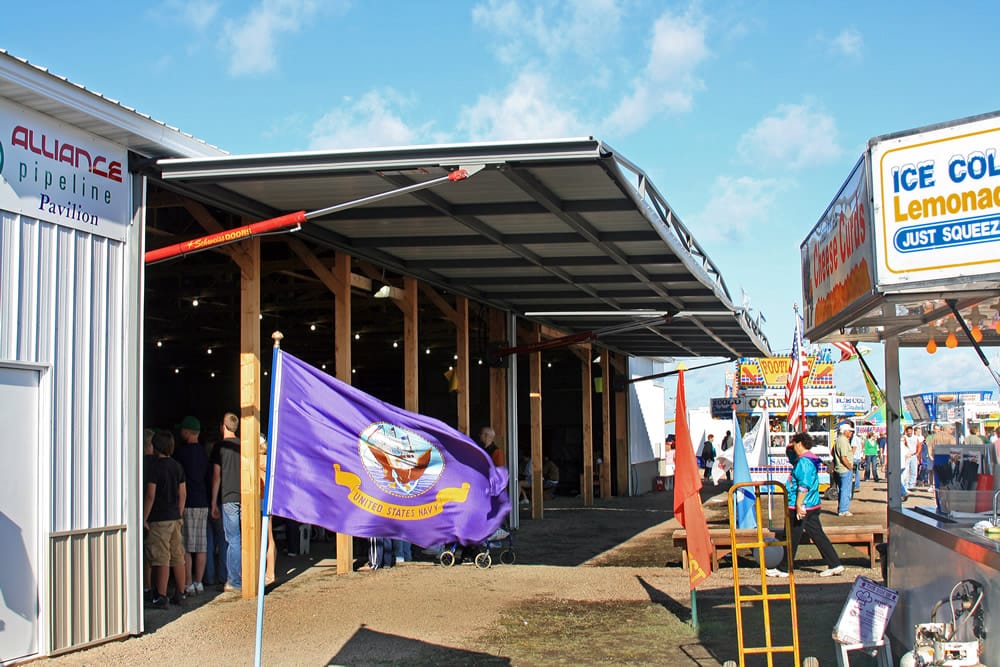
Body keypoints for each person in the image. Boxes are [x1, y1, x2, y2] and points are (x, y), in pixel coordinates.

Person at [767, 432, 844, 578]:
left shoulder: (804, 462)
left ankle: (784, 568)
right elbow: (791, 456)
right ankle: (834, 563)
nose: (793, 446)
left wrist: (798, 504)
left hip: (802, 505)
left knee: (791, 536)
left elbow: (804, 485)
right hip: (812, 504)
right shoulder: (808, 459)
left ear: (800, 444)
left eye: (794, 443)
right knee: (817, 534)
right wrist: (790, 447)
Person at [144, 430, 188, 608]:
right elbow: (183, 493)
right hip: (175, 517)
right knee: (177, 555)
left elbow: (150, 495)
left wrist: (144, 518)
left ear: (155, 447)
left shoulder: (155, 467)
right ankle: (181, 592)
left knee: (160, 557)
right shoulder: (177, 466)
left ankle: (161, 596)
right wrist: (179, 512)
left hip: (159, 518)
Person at [173, 416, 210, 596]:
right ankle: (199, 582)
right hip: (202, 501)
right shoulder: (203, 453)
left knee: (187, 545)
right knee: (201, 545)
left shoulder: (181, 453)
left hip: (187, 502)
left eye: (182, 430)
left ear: (187, 432)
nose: (180, 433)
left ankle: (187, 583)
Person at [211, 412, 242, 592]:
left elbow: (216, 476)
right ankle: (246, 574)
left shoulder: (219, 447)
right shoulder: (244, 445)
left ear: (223, 426)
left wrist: (213, 501)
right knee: (245, 538)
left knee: (233, 539)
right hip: (245, 495)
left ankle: (234, 580)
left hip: (228, 497)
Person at [258, 436, 276, 584]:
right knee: (269, 537)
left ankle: (267, 572)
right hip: (267, 499)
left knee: (263, 538)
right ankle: (270, 571)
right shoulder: (269, 460)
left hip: (259, 499)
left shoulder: (256, 461)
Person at [832, 422, 855, 516]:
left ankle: (842, 508)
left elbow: (832, 452)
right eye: (850, 431)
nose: (851, 433)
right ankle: (843, 510)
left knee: (842, 489)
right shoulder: (843, 441)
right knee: (845, 490)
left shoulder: (838, 440)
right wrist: (850, 467)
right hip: (844, 469)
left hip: (839, 469)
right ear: (845, 431)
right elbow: (843, 457)